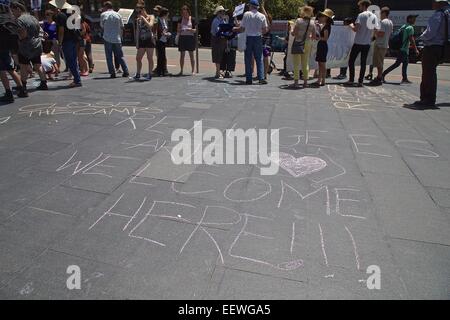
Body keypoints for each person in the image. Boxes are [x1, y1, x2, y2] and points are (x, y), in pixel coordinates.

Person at [412, 0, 450, 109]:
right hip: (445, 47)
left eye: (435, 2)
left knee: (428, 74)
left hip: (433, 47)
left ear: (440, 4)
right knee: (431, 73)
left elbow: (430, 33)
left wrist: (420, 37)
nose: (432, 4)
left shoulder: (438, 15)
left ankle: (427, 99)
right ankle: (429, 98)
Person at [11, 0, 48, 92]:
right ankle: (44, 83)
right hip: (37, 43)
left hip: (26, 46)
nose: (13, 13)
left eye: (13, 11)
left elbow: (23, 34)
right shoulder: (32, 17)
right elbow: (39, 30)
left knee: (23, 66)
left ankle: (22, 85)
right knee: (37, 64)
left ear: (18, 9)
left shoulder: (20, 20)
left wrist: (18, 38)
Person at [235, 0, 269, 85]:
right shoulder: (262, 16)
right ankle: (261, 78)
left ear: (251, 6)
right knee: (259, 59)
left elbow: (242, 29)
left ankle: (249, 79)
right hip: (258, 38)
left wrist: (235, 29)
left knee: (248, 59)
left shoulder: (246, 14)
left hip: (248, 38)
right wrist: (259, 32)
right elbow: (265, 30)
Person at [0, 7, 27, 102]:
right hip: (8, 47)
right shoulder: (9, 19)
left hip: (1, 47)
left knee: (2, 71)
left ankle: (8, 93)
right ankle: (22, 89)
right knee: (10, 69)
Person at [52, 0, 82, 87]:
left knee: (70, 61)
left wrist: (60, 43)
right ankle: (77, 79)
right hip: (74, 39)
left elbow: (61, 30)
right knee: (73, 60)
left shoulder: (60, 15)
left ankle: (77, 80)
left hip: (67, 40)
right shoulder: (70, 13)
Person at [382, 15, 418, 84]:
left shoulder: (404, 26)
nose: (415, 20)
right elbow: (411, 39)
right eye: (414, 19)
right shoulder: (410, 28)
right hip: (403, 49)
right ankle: (383, 74)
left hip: (401, 48)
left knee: (405, 63)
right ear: (409, 19)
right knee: (397, 64)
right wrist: (415, 49)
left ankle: (404, 78)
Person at [347, 0, 375, 87]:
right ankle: (360, 81)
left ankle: (351, 79)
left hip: (358, 41)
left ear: (363, 6)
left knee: (351, 61)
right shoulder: (374, 16)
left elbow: (356, 29)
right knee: (363, 62)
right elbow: (375, 29)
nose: (359, 8)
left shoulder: (361, 15)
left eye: (360, 6)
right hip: (367, 43)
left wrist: (350, 25)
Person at [100, 1, 129, 79]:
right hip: (117, 38)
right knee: (120, 56)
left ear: (106, 7)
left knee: (109, 56)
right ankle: (126, 71)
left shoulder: (103, 15)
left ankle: (112, 73)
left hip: (107, 38)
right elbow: (122, 26)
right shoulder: (118, 14)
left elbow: (102, 26)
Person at [290, 6, 316, 88]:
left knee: (296, 63)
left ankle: (296, 82)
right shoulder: (312, 22)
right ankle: (305, 82)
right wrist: (308, 35)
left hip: (298, 42)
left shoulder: (299, 21)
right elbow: (314, 36)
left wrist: (291, 29)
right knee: (305, 63)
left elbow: (294, 33)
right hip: (307, 43)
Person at [368, 7, 393, 85]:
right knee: (381, 62)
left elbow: (381, 34)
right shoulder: (390, 22)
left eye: (380, 13)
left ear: (384, 13)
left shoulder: (383, 22)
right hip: (385, 44)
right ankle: (379, 76)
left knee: (379, 63)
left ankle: (379, 77)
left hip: (380, 44)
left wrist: (375, 30)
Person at [134, 3, 156, 80]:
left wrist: (143, 18)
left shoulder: (151, 16)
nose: (138, 14)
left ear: (143, 10)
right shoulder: (138, 19)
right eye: (137, 12)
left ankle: (150, 74)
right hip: (141, 41)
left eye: (139, 11)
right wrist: (137, 43)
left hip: (150, 40)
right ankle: (138, 74)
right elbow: (137, 32)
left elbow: (150, 26)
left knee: (149, 58)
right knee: (138, 58)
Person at [314, 8, 334, 87]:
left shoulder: (326, 27)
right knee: (320, 63)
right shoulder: (325, 26)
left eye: (322, 16)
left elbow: (325, 38)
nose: (320, 17)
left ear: (326, 18)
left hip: (323, 45)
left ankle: (323, 80)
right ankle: (320, 79)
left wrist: (318, 38)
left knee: (322, 64)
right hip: (321, 45)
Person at [177, 5, 196, 76]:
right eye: (183, 13)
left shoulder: (193, 19)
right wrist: (181, 29)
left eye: (185, 13)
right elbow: (178, 30)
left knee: (191, 55)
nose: (184, 14)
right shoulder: (180, 19)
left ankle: (193, 70)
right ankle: (181, 70)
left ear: (188, 12)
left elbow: (195, 30)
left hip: (190, 38)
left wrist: (190, 30)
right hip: (182, 38)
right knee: (182, 55)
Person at [211, 5, 229, 79]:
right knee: (217, 56)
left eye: (223, 12)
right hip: (217, 39)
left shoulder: (223, 20)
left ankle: (218, 72)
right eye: (222, 12)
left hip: (222, 39)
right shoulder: (216, 20)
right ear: (218, 13)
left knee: (221, 56)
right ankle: (218, 72)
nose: (223, 13)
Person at [42, 8, 61, 73]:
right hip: (47, 41)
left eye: (48, 14)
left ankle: (57, 68)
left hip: (54, 41)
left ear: (52, 15)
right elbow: (43, 32)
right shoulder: (44, 23)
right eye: (45, 14)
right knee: (49, 55)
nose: (46, 16)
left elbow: (56, 32)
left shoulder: (55, 23)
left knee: (56, 55)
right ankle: (52, 69)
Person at [155, 7, 171, 77]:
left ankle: (161, 71)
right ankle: (161, 71)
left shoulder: (164, 20)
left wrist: (167, 33)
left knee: (162, 56)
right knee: (161, 56)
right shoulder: (158, 19)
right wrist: (166, 34)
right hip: (160, 40)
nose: (168, 14)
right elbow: (159, 30)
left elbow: (165, 29)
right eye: (167, 13)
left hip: (164, 40)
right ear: (165, 13)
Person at [260, 1, 272, 80]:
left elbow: (266, 16)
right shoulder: (264, 22)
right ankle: (263, 74)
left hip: (265, 41)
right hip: (264, 40)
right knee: (263, 58)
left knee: (265, 57)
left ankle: (264, 75)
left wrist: (262, 6)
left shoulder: (267, 22)